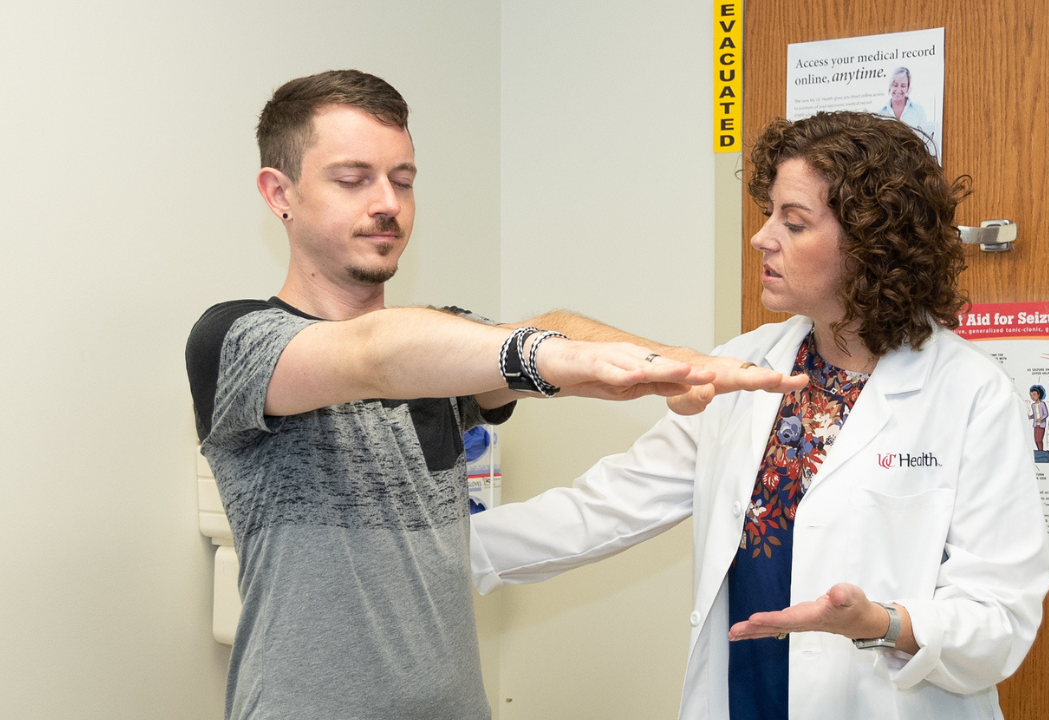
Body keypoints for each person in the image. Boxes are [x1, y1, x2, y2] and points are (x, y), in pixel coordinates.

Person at [184, 69, 804, 720]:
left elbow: (547, 328)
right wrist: (543, 358)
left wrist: (678, 366)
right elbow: (374, 355)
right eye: (352, 179)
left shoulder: (442, 351)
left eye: (402, 180)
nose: (388, 203)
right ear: (278, 192)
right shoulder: (236, 341)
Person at [471, 111, 1049, 719]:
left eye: (793, 222)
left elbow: (1000, 618)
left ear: (874, 247)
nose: (762, 236)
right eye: (769, 212)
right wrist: (435, 551)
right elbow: (605, 507)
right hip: (744, 699)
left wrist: (880, 623)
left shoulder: (970, 393)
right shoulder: (743, 365)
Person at [1029, 384, 1049, 451]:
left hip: (1041, 424)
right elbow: (1034, 415)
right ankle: (1039, 450)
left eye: (1034, 394)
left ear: (1039, 395)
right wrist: (1030, 416)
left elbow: (1046, 414)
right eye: (1031, 395)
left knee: (1039, 440)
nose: (1032, 397)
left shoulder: (1042, 404)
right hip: (1035, 424)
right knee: (1036, 439)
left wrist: (1041, 418)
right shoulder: (1033, 405)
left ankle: (1041, 451)